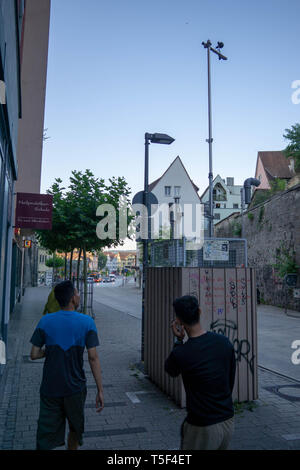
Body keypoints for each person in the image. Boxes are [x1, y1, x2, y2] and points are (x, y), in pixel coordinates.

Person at [30, 280, 104, 450]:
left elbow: (33, 354)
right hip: (75, 388)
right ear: (72, 299)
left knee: (45, 435)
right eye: (77, 293)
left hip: (50, 388)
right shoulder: (87, 322)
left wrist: (50, 351)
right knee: (75, 429)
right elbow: (93, 358)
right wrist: (100, 389)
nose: (79, 296)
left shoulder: (45, 321)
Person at [165, 295, 236, 451]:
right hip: (227, 420)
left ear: (178, 321)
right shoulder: (224, 342)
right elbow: (230, 380)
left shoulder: (182, 353)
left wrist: (178, 341)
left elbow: (170, 370)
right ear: (200, 311)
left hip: (202, 426)